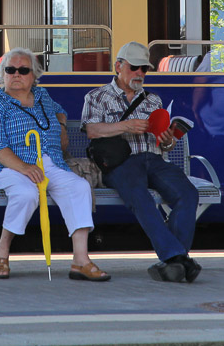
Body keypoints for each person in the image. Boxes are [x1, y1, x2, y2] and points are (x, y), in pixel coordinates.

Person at [0, 48, 109, 281]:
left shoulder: (42, 97)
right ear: (3, 74)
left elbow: (59, 111)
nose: (16, 74)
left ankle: (81, 260)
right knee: (27, 193)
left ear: (34, 76)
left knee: (80, 188)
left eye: (23, 70)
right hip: (12, 168)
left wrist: (60, 125)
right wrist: (25, 168)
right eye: (10, 70)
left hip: (51, 163)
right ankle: (2, 251)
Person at [81, 41, 201, 283]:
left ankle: (173, 260)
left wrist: (168, 139)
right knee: (140, 197)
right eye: (134, 67)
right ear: (118, 66)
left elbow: (164, 145)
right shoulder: (97, 96)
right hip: (121, 163)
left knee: (188, 193)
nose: (139, 74)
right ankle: (178, 258)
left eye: (144, 69)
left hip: (154, 159)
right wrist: (125, 126)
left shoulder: (152, 100)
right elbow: (92, 130)